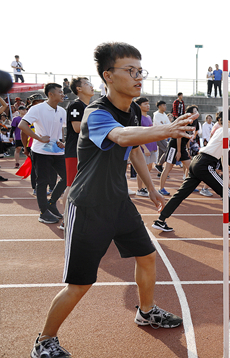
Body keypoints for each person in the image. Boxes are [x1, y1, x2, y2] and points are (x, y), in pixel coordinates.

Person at [30, 42, 196, 358]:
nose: (138, 77)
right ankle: (44, 341)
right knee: (80, 284)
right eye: (130, 71)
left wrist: (150, 188)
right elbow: (121, 137)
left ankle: (146, 311)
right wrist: (166, 131)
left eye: (140, 71)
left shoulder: (131, 109)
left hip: (119, 202)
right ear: (108, 75)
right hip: (89, 206)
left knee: (147, 256)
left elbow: (131, 149)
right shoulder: (96, 113)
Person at [152, 109, 230, 232]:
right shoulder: (225, 131)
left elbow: (224, 157)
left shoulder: (223, 133)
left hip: (198, 162)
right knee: (227, 193)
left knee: (181, 194)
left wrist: (225, 176)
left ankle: (160, 220)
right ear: (228, 122)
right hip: (204, 163)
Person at [18, 84, 67, 224]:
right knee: (42, 181)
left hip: (57, 151)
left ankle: (51, 204)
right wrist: (39, 138)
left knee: (68, 177)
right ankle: (43, 212)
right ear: (51, 94)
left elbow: (61, 129)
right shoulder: (37, 108)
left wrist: (61, 141)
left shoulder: (62, 111)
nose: (63, 94)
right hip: (40, 151)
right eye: (60, 92)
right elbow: (22, 125)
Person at [64, 77, 95, 207]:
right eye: (87, 84)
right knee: (72, 185)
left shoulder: (89, 106)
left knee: (85, 185)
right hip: (75, 151)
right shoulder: (76, 105)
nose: (91, 86)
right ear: (79, 88)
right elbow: (77, 128)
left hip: (85, 151)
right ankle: (66, 219)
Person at [158, 105, 194, 196]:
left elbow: (188, 138)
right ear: (189, 113)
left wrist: (188, 149)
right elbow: (178, 136)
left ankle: (188, 187)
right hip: (174, 147)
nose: (197, 113)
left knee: (191, 168)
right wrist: (178, 151)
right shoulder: (183, 121)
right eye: (195, 112)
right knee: (168, 167)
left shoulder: (194, 123)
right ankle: (161, 188)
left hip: (182, 147)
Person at [134, 97, 158, 196]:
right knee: (141, 169)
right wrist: (144, 148)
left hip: (152, 146)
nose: (148, 106)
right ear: (139, 106)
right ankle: (140, 189)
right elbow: (137, 134)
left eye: (148, 104)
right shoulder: (137, 118)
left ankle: (144, 187)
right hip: (144, 147)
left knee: (148, 168)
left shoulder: (148, 117)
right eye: (145, 104)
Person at [153, 100, 170, 174]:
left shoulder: (164, 115)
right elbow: (160, 126)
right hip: (158, 135)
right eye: (164, 105)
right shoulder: (156, 115)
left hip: (164, 135)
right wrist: (165, 126)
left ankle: (159, 172)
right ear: (159, 106)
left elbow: (168, 124)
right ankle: (159, 165)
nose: (165, 107)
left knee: (161, 153)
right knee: (168, 150)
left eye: (165, 105)